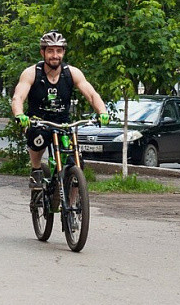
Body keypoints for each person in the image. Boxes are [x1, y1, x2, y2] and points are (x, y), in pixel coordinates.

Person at [11, 30, 110, 191]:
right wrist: (19, 114)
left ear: (63, 52)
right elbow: (18, 97)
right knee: (38, 137)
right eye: (50, 51)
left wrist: (102, 112)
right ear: (42, 52)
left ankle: (72, 205)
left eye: (58, 51)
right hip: (39, 120)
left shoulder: (71, 73)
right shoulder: (31, 73)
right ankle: (36, 170)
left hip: (63, 122)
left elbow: (92, 95)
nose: (54, 55)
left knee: (76, 161)